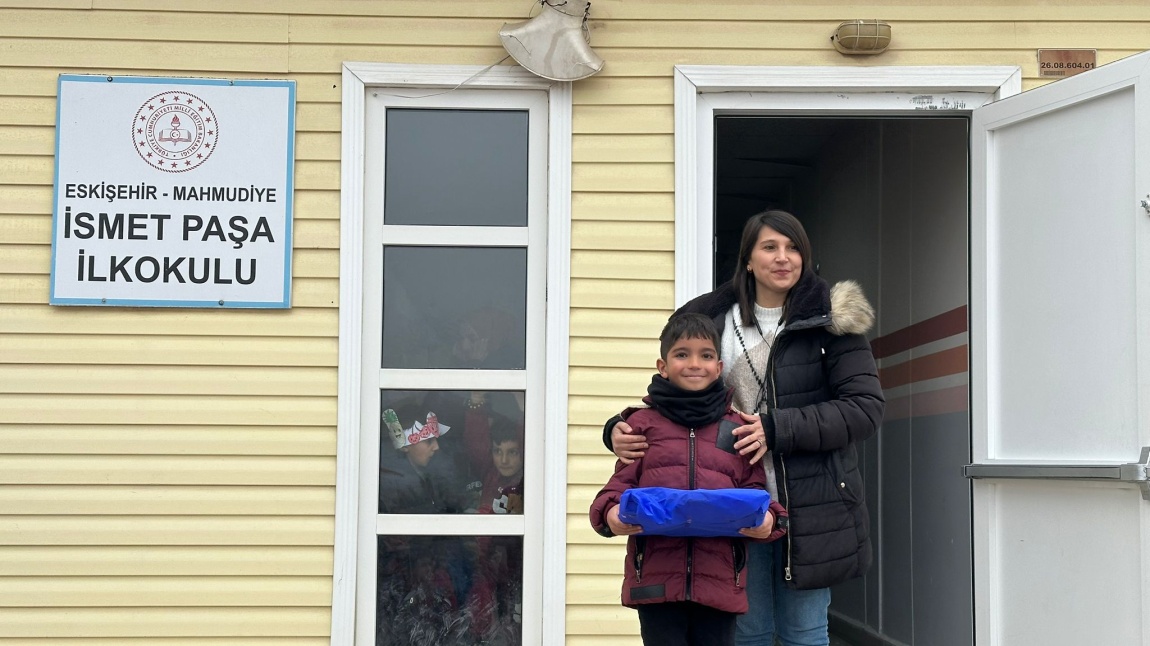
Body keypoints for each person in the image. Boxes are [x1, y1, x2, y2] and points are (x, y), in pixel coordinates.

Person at [603, 210, 885, 646]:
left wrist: (778, 428)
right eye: (769, 247)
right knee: (748, 635)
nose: (783, 258)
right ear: (748, 259)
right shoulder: (712, 319)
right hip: (727, 501)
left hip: (813, 506)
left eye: (793, 248)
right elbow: (671, 397)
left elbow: (864, 408)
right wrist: (617, 428)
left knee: (804, 634)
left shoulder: (833, 323)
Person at [589, 312, 788, 646]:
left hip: (721, 583)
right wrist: (611, 515)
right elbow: (615, 490)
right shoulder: (641, 426)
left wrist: (770, 520)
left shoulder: (737, 428)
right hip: (656, 583)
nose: (695, 364)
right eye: (682, 354)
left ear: (719, 368)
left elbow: (756, 491)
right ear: (663, 365)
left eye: (706, 355)